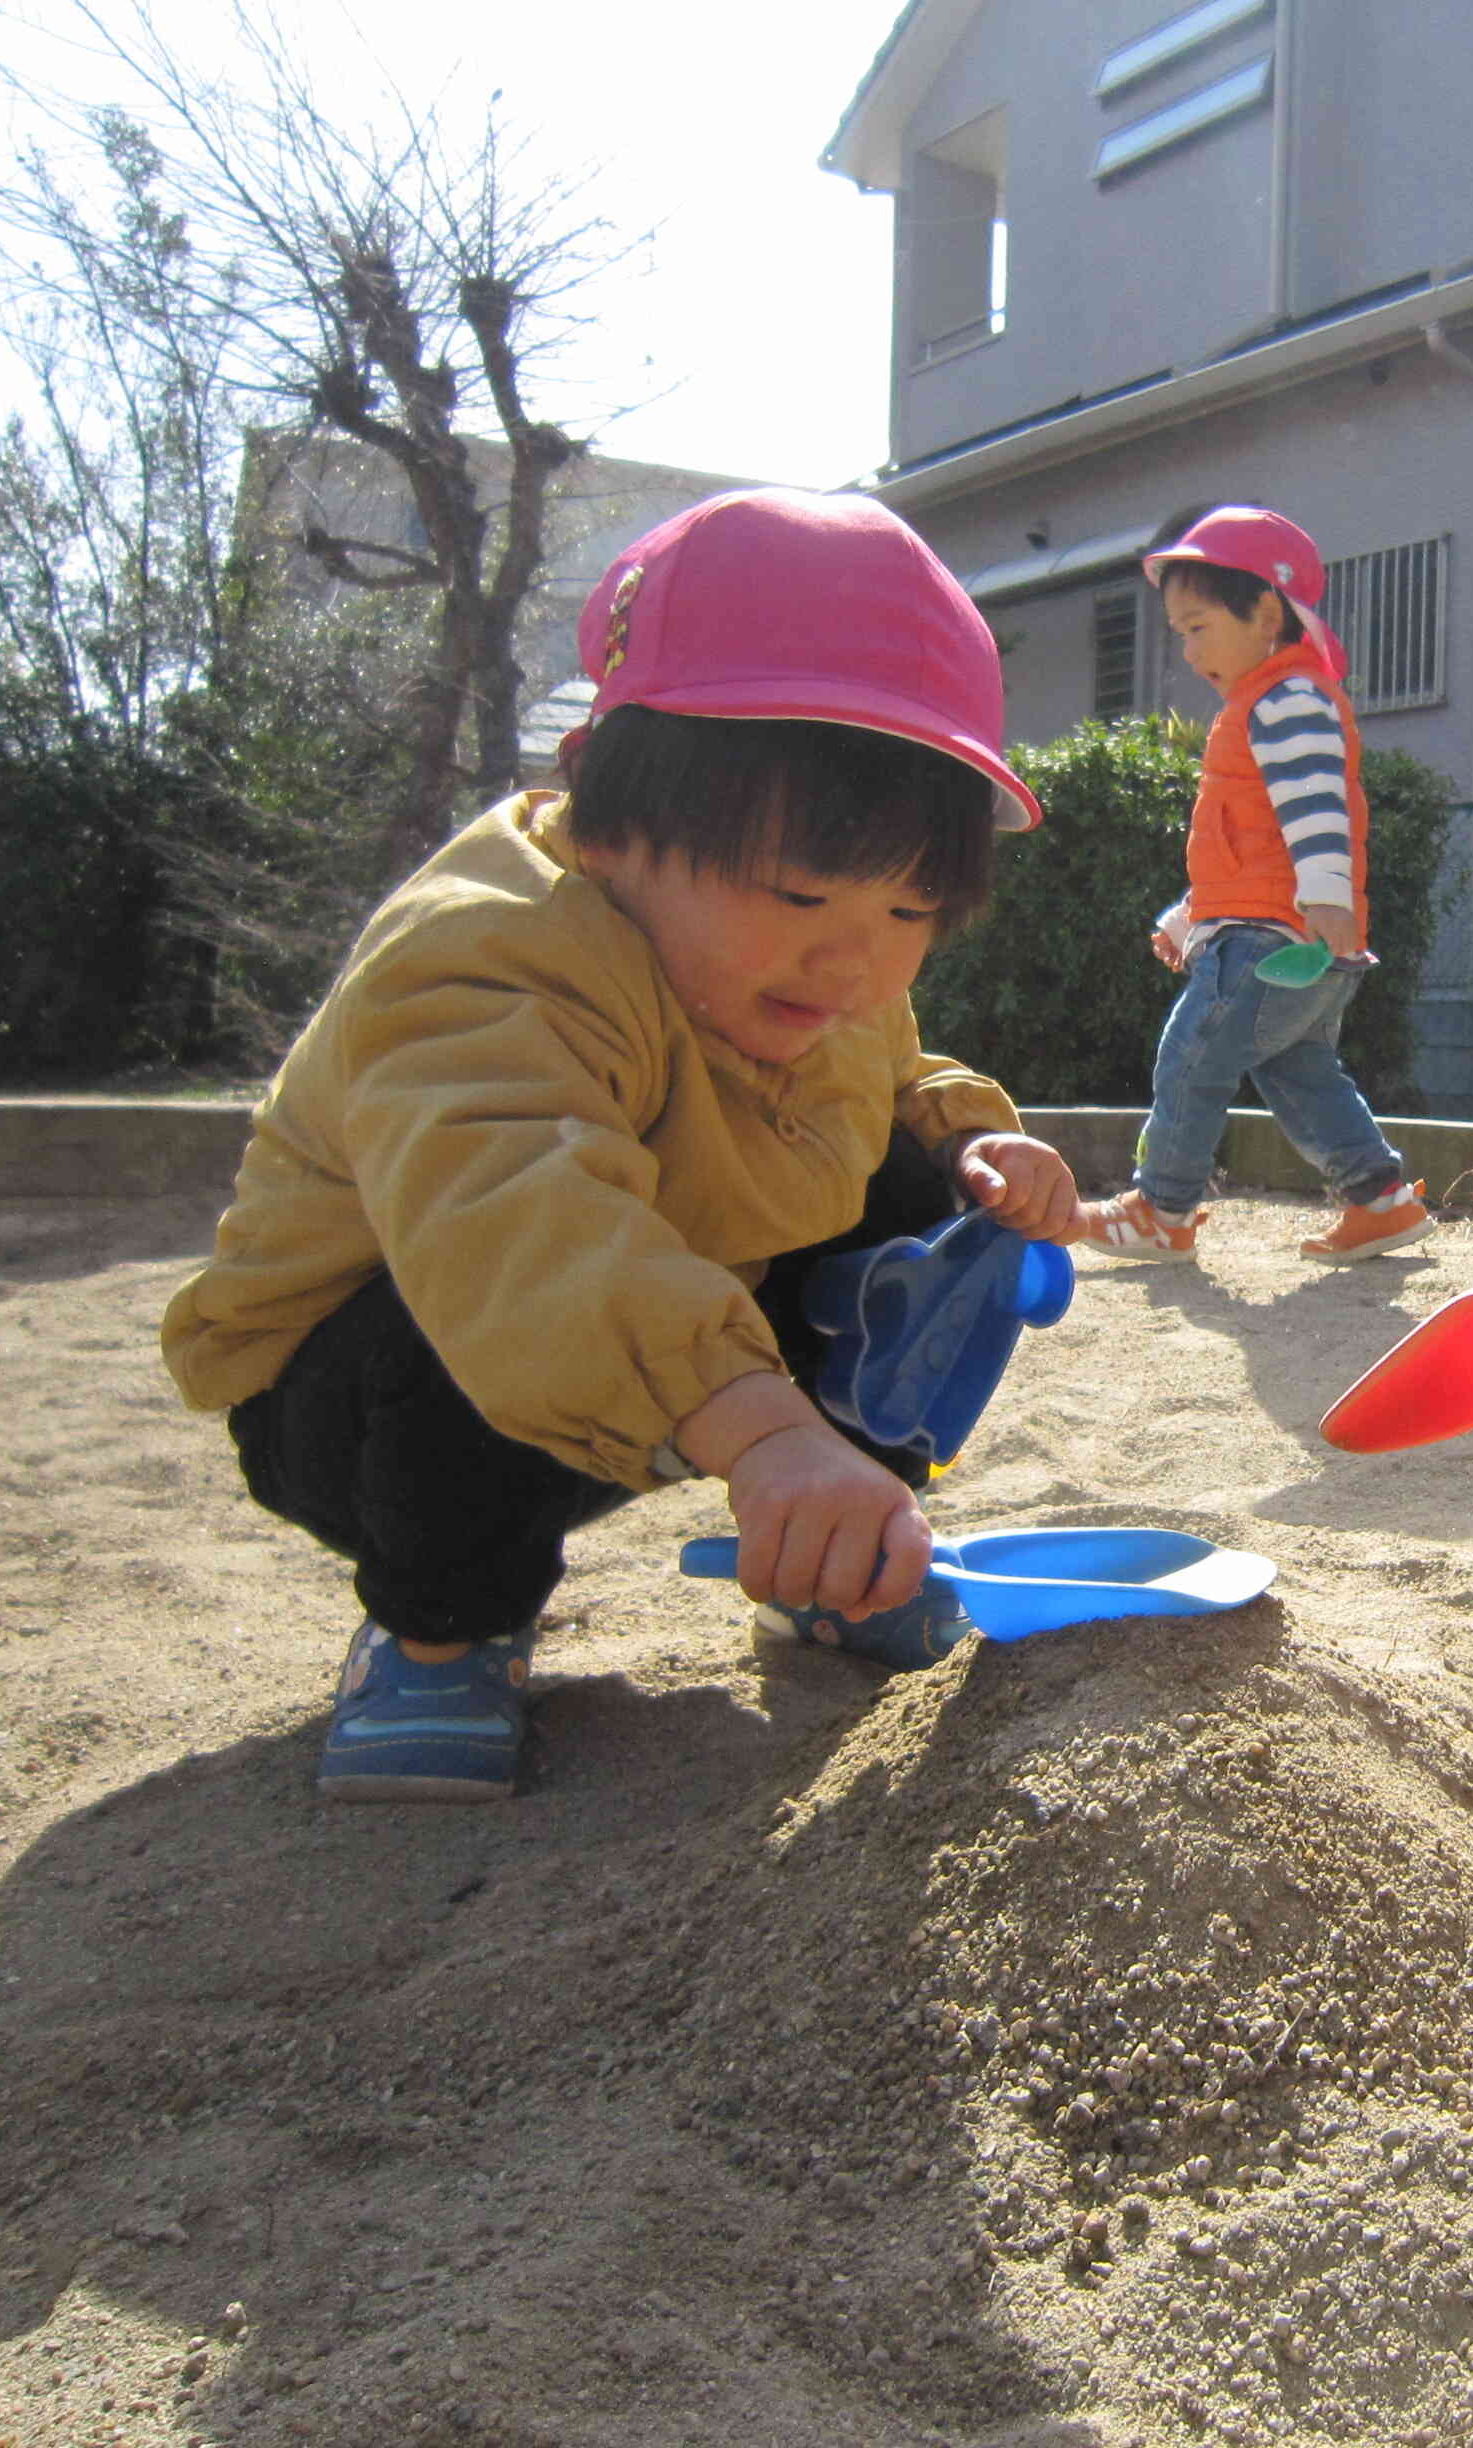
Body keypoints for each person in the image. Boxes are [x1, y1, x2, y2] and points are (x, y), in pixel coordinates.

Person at [162, 488, 1083, 1804]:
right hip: (368, 1386)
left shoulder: (814, 980)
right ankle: (438, 1633)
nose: (856, 952)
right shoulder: (485, 954)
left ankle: (832, 1555)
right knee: (477, 1289)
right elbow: (516, 1219)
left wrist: (971, 1142)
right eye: (803, 891)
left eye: (911, 907)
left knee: (910, 1200)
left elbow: (885, 1065)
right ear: (605, 826)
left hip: (654, 1351)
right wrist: (763, 1431)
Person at [1075, 505, 1433, 1268]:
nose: (1187, 648)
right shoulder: (1271, 699)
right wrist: (1189, 917)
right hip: (1289, 933)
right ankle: (1379, 1201)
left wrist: (1325, 892)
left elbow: (1315, 806)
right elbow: (1250, 844)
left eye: (1199, 625)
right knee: (1295, 1067)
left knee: (1191, 1057)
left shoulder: (1287, 697)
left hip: (1272, 937)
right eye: (1180, 632)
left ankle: (1162, 1208)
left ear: (1267, 611)